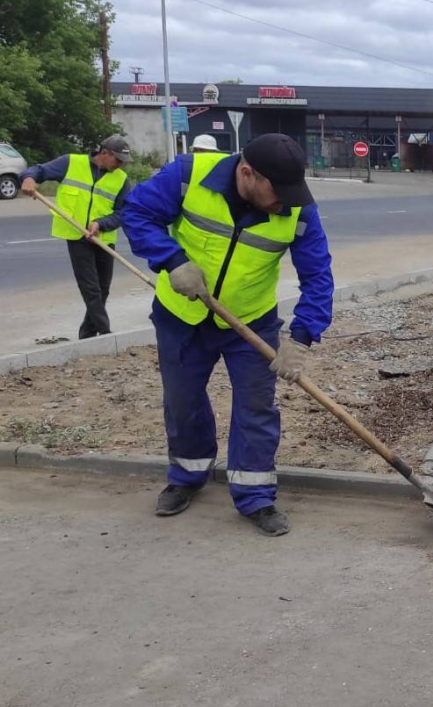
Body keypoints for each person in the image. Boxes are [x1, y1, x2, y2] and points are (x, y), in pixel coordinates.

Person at [122, 133, 334, 536]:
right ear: (247, 172)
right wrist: (172, 260)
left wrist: (302, 337)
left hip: (250, 320)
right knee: (182, 401)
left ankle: (255, 496)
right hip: (180, 316)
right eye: (278, 192)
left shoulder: (299, 210)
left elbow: (318, 276)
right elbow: (137, 213)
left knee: (256, 408)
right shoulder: (188, 175)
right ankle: (187, 476)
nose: (285, 203)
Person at [20, 135, 133, 339]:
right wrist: (28, 179)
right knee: (91, 289)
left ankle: (87, 335)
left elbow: (123, 213)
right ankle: (107, 334)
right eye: (118, 160)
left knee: (103, 289)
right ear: (104, 153)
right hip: (76, 236)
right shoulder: (71, 163)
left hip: (103, 238)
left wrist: (101, 224)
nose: (121, 165)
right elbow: (39, 170)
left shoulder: (122, 179)